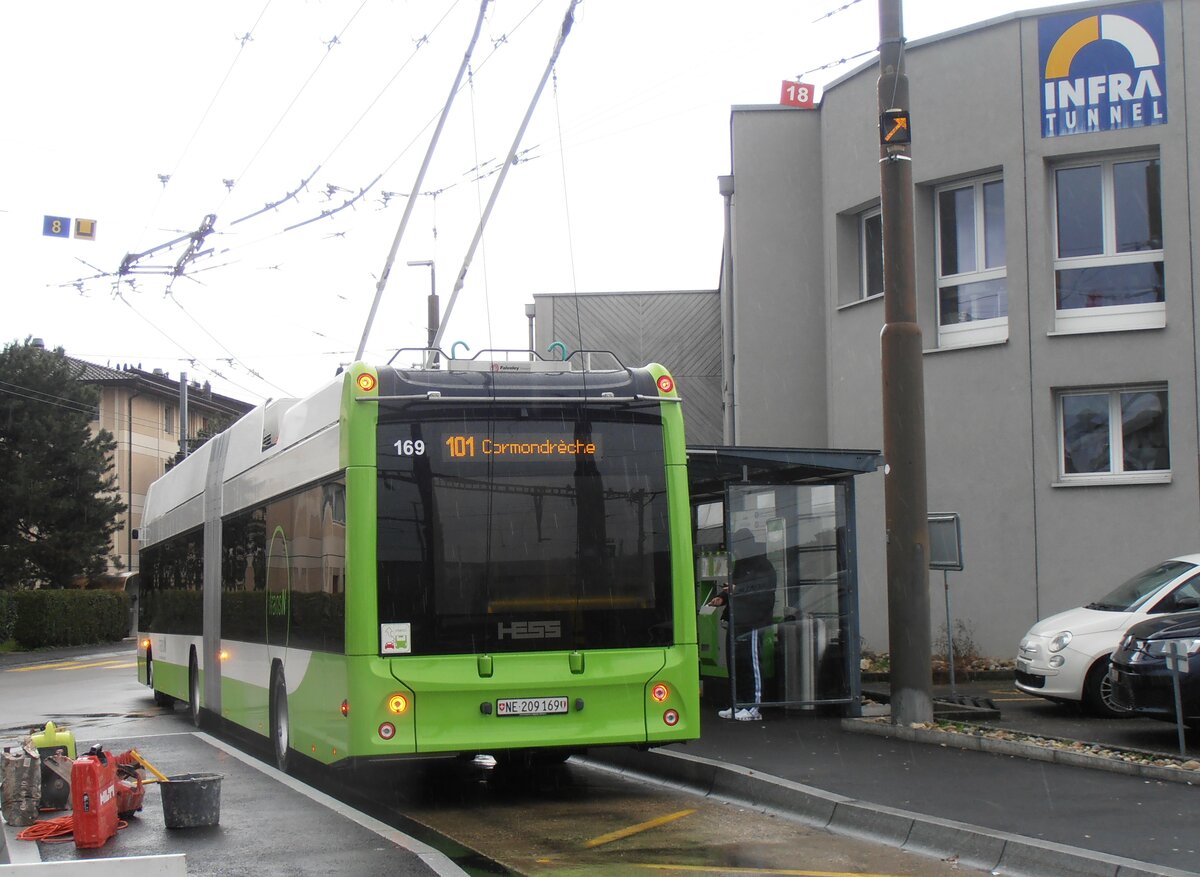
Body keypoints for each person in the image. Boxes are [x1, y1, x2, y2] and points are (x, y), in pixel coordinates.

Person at [707, 528, 775, 720]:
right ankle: (739, 703)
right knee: (736, 663)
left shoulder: (763, 565)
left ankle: (753, 707)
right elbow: (734, 586)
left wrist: (738, 589)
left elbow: (763, 589)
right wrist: (722, 597)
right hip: (738, 620)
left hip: (754, 622)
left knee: (751, 663)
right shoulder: (742, 564)